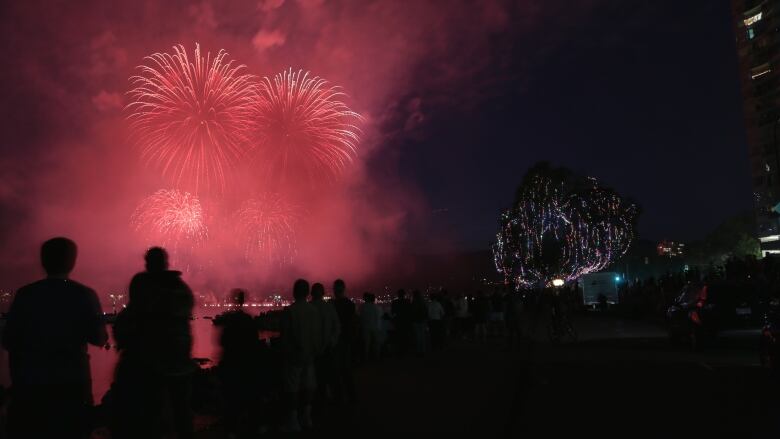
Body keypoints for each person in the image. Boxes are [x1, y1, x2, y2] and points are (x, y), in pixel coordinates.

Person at [2, 237, 108, 439]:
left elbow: (8, 340)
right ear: (72, 262)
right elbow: (98, 338)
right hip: (72, 385)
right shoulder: (83, 294)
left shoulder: (26, 294)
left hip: (31, 384)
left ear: (43, 261)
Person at [111, 247, 195, 439]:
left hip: (151, 363)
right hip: (178, 362)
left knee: (153, 414)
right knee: (180, 413)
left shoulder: (142, 284)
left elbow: (132, 316)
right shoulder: (180, 288)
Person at [213, 289, 262, 437]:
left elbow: (221, 342)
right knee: (248, 397)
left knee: (231, 399)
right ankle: (252, 427)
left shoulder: (230, 320)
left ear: (234, 300)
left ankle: (231, 430)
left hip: (232, 364)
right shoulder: (248, 320)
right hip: (246, 364)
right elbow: (255, 342)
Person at [279, 279, 320, 432]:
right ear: (307, 292)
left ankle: (293, 420)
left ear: (294, 292)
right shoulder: (314, 311)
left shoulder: (290, 311)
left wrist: (287, 352)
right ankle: (307, 417)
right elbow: (317, 334)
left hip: (294, 357)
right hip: (310, 355)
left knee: (292, 389)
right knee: (308, 387)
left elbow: (285, 337)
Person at [310, 282, 340, 404]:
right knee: (330, 376)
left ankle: (318, 402)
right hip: (328, 347)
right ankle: (334, 401)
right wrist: (332, 341)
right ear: (323, 293)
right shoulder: (329, 307)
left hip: (313, 350)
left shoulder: (309, 307)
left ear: (311, 293)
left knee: (315, 377)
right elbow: (337, 326)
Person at [331, 279, 357, 404]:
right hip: (347, 338)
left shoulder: (333, 305)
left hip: (336, 340)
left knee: (335, 371)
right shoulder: (350, 304)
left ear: (335, 290)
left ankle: (338, 398)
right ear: (344, 289)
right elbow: (353, 322)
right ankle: (351, 396)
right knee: (346, 369)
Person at [359, 293, 382, 361]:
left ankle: (366, 359)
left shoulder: (363, 307)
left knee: (366, 345)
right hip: (376, 327)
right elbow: (379, 317)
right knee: (376, 344)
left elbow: (360, 317)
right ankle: (376, 358)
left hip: (366, 327)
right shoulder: (377, 307)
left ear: (367, 298)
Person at [390, 289, 413, 355]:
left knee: (399, 336)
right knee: (405, 336)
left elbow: (392, 312)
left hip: (398, 321)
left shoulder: (395, 302)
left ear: (398, 294)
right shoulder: (408, 301)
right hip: (406, 321)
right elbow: (410, 311)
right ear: (404, 294)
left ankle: (400, 351)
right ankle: (406, 350)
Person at [411, 290, 429, 355]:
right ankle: (423, 350)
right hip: (423, 320)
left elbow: (412, 312)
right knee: (423, 335)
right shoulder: (423, 301)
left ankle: (418, 350)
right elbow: (426, 310)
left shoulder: (414, 302)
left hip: (416, 320)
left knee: (417, 336)